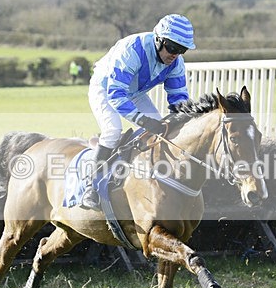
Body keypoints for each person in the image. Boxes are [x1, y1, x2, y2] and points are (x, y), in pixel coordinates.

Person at [81, 13, 196, 209]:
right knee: (112, 130)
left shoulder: (176, 63)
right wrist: (142, 120)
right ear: (159, 40)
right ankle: (91, 186)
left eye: (182, 49)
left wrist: (185, 119)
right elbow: (115, 94)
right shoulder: (133, 49)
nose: (175, 54)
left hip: (135, 92)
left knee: (162, 133)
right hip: (106, 87)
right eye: (172, 47)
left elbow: (178, 98)